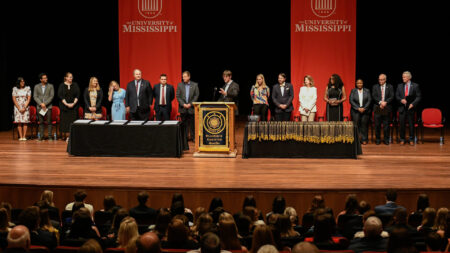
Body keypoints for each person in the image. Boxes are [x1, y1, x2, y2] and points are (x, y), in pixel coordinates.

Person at [396, 71, 421, 145]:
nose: (402, 78)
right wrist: (401, 100)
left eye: (404, 77)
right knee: (402, 125)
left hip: (411, 108)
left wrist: (413, 104)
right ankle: (402, 139)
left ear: (409, 78)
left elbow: (419, 96)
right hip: (402, 108)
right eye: (402, 77)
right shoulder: (399, 86)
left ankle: (411, 139)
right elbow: (396, 95)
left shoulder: (415, 86)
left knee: (411, 125)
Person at [372, 74, 394, 145]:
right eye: (379, 79)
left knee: (386, 125)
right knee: (377, 125)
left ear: (385, 79)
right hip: (378, 107)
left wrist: (385, 102)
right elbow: (374, 96)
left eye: (382, 80)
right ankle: (378, 139)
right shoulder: (375, 87)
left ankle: (386, 139)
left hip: (386, 107)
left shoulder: (390, 87)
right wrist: (381, 102)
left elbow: (392, 96)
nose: (380, 81)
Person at [177, 71, 199, 141]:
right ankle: (184, 138)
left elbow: (196, 95)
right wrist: (183, 104)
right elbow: (178, 96)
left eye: (185, 76)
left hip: (191, 108)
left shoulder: (195, 85)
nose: (183, 78)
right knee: (184, 124)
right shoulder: (180, 85)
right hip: (183, 108)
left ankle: (193, 137)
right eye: (183, 76)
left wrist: (190, 104)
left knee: (192, 124)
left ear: (189, 77)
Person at [58, 72, 80, 141]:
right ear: (66, 78)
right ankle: (67, 136)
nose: (71, 78)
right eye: (70, 77)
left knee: (72, 121)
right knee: (66, 122)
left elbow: (77, 95)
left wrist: (73, 103)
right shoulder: (62, 85)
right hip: (65, 107)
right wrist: (67, 104)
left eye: (71, 77)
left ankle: (72, 137)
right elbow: (60, 95)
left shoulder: (75, 85)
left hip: (74, 107)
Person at [33, 73, 55, 141]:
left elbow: (51, 96)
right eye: (44, 78)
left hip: (48, 107)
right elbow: (35, 96)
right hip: (40, 107)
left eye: (46, 78)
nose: (46, 79)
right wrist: (40, 104)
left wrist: (45, 104)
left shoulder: (50, 86)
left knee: (49, 122)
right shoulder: (36, 86)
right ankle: (41, 136)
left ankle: (50, 136)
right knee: (41, 122)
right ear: (41, 79)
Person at [349, 79, 371, 144]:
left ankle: (364, 139)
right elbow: (351, 100)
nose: (359, 84)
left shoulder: (367, 91)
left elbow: (369, 100)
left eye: (361, 83)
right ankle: (357, 139)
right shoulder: (353, 91)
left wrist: (364, 108)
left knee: (364, 125)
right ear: (356, 84)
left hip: (365, 111)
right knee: (356, 125)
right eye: (358, 83)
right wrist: (358, 108)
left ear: (363, 83)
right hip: (355, 111)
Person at [12, 77, 32, 141]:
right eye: (21, 81)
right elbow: (14, 99)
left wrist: (24, 107)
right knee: (19, 122)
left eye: (23, 81)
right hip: (18, 107)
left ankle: (24, 136)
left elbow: (29, 99)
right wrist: (19, 108)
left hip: (25, 107)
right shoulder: (15, 89)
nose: (23, 82)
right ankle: (20, 137)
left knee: (25, 122)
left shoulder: (27, 88)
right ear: (18, 82)